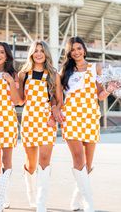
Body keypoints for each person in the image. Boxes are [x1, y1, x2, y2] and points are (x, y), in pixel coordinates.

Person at [60, 36, 115, 212]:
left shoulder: (95, 68)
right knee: (78, 159)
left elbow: (99, 95)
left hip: (90, 117)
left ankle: (76, 199)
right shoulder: (65, 71)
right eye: (73, 49)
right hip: (71, 117)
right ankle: (88, 203)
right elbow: (59, 97)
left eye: (79, 48)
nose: (76, 52)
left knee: (88, 165)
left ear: (84, 49)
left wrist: (109, 89)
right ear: (69, 52)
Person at [18, 40, 63, 212]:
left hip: (47, 121)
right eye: (35, 50)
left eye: (41, 51)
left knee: (44, 162)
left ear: (46, 54)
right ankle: (31, 194)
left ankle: (41, 201)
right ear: (31, 53)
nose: (38, 53)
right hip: (29, 120)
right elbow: (20, 100)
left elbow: (59, 101)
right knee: (31, 163)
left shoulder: (53, 74)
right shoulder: (24, 74)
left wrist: (54, 114)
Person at [0, 42, 22, 212]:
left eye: (2, 52)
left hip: (7, 119)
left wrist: (10, 81)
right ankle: (3, 193)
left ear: (7, 55)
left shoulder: (13, 74)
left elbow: (16, 101)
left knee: (7, 159)